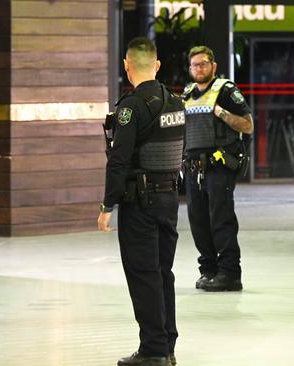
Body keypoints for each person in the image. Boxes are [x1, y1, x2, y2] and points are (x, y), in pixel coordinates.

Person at [97, 37, 185, 366]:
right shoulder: (176, 103)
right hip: (169, 199)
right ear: (157, 65)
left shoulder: (131, 107)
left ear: (126, 66)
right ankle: (167, 344)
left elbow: (118, 160)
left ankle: (153, 350)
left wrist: (108, 205)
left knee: (143, 273)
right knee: (163, 272)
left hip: (141, 202)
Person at [182, 46, 254, 292]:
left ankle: (230, 274)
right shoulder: (187, 93)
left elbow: (248, 125)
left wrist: (221, 112)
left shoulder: (225, 91)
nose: (199, 69)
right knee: (198, 222)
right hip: (193, 168)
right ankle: (209, 270)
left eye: (203, 64)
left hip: (218, 166)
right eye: (194, 65)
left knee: (221, 220)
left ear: (213, 66)